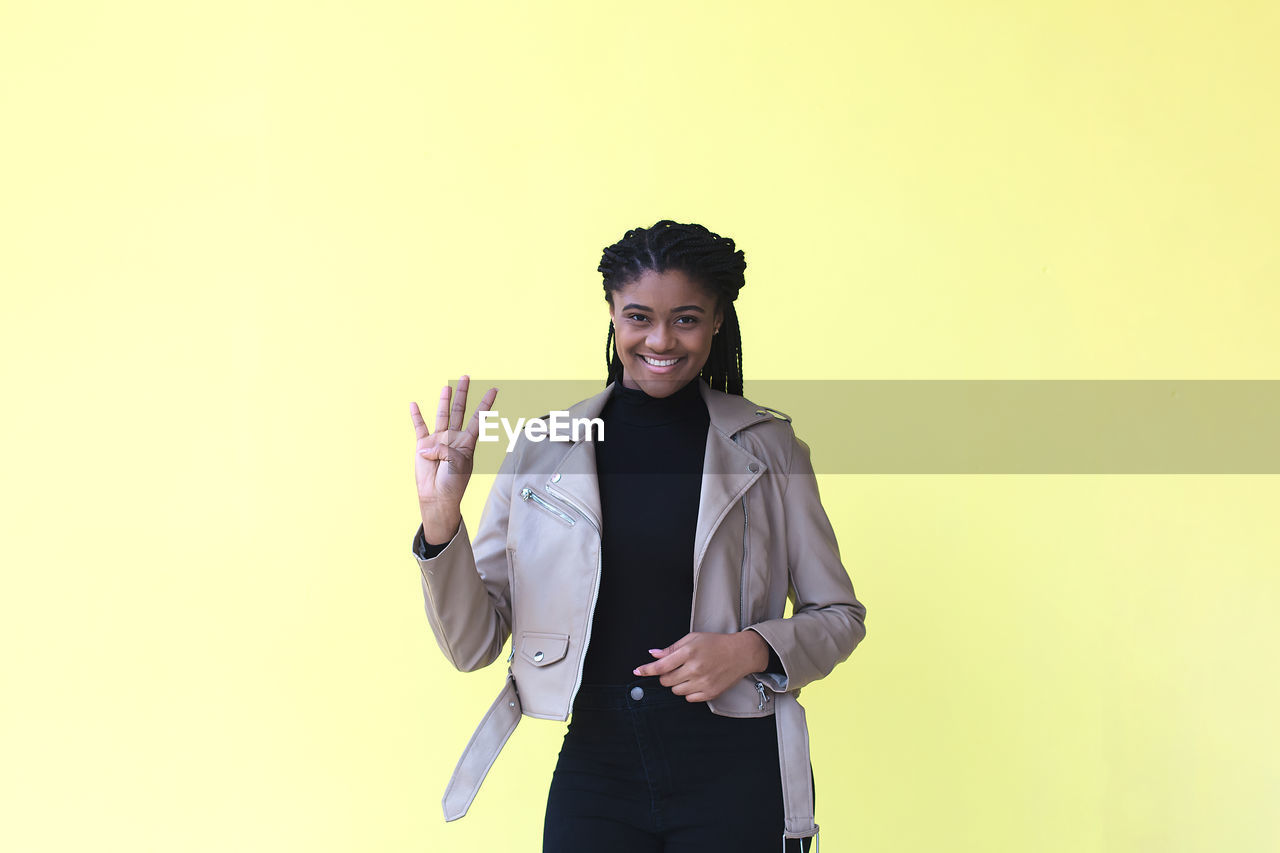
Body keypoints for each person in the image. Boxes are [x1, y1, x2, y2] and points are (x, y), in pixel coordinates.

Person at [409, 220, 867, 852]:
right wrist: (441, 521)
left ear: (716, 322)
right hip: (599, 767)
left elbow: (839, 615)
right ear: (612, 315)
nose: (660, 339)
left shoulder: (769, 448)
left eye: (685, 319)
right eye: (638, 317)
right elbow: (474, 645)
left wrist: (750, 649)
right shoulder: (545, 447)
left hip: (736, 766)